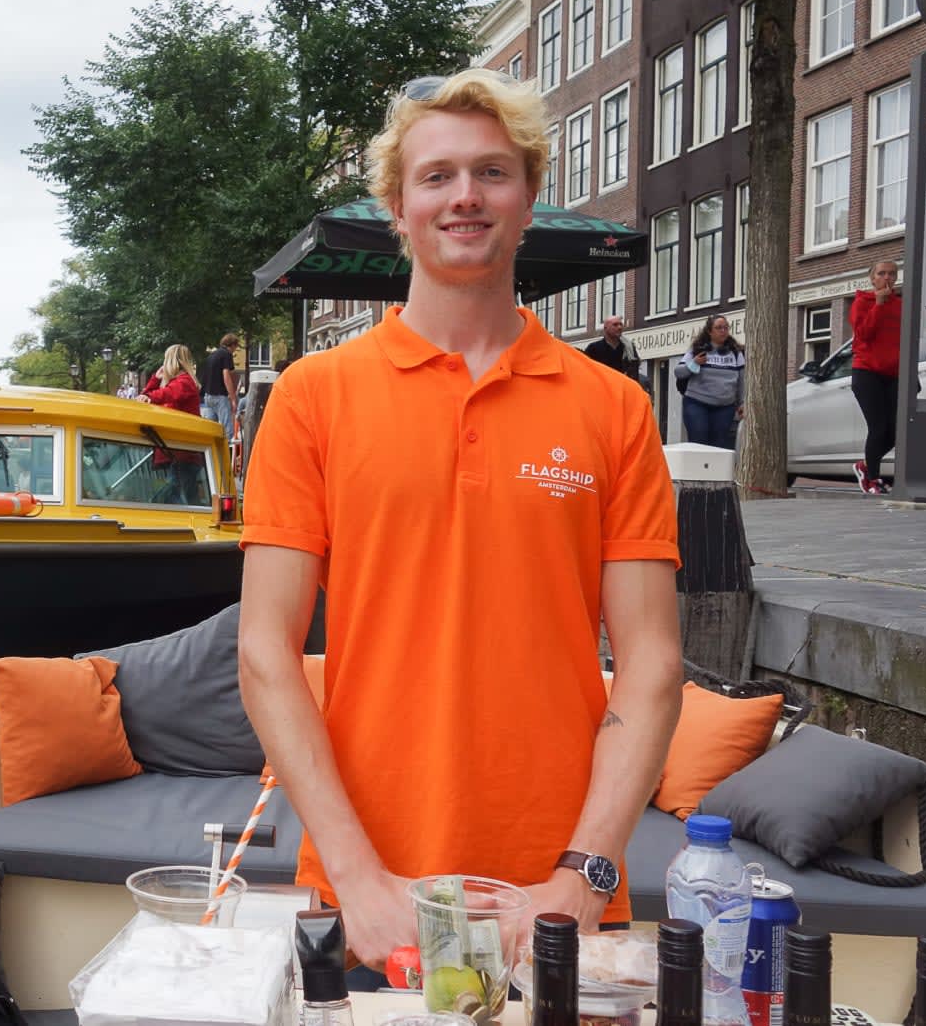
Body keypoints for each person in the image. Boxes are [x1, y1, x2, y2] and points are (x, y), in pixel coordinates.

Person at [238, 69, 682, 973]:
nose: (464, 196)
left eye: (492, 172)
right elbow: (264, 651)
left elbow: (652, 660)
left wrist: (584, 875)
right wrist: (361, 878)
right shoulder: (314, 397)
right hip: (369, 886)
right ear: (397, 207)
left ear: (529, 200)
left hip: (553, 890)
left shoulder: (613, 406)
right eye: (436, 176)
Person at [848, 261, 902, 495]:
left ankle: (866, 465)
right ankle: (872, 478)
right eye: (881, 273)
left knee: (899, 429)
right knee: (878, 427)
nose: (886, 278)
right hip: (867, 371)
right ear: (872, 279)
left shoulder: (901, 305)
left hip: (894, 373)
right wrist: (878, 304)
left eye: (891, 273)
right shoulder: (862, 302)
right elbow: (863, 334)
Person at [673, 315, 746, 449]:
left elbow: (741, 380)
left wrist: (742, 403)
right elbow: (678, 372)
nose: (723, 331)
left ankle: (715, 470)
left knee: (719, 445)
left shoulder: (736, 353)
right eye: (719, 328)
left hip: (725, 406)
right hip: (697, 404)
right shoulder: (698, 350)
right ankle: (697, 470)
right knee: (699, 442)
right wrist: (694, 363)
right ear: (709, 331)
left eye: (725, 328)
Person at [198, 333, 240, 442]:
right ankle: (228, 455)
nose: (235, 350)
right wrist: (233, 398)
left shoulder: (212, 355)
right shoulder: (226, 354)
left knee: (211, 430)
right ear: (233, 345)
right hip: (219, 396)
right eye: (236, 347)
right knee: (228, 431)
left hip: (207, 396)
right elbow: (226, 375)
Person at [136, 345, 201, 415]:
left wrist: (149, 397)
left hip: (184, 425)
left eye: (165, 359)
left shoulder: (185, 381)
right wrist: (156, 379)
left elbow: (167, 393)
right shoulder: (176, 381)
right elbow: (144, 397)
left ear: (170, 361)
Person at [582, 315, 642, 382]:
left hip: (623, 388)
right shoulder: (593, 348)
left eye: (621, 324)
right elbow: (585, 370)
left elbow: (634, 373)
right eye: (615, 325)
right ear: (605, 328)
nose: (619, 327)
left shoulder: (629, 348)